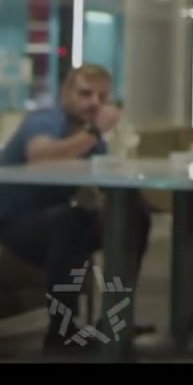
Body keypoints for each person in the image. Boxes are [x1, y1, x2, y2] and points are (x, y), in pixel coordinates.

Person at [0, 65, 152, 356]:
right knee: (67, 222)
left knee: (134, 218)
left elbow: (106, 182)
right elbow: (40, 155)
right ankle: (62, 331)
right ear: (65, 94)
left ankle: (115, 320)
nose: (94, 103)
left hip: (53, 218)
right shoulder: (46, 119)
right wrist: (94, 132)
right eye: (85, 94)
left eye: (102, 97)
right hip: (13, 221)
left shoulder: (90, 137)